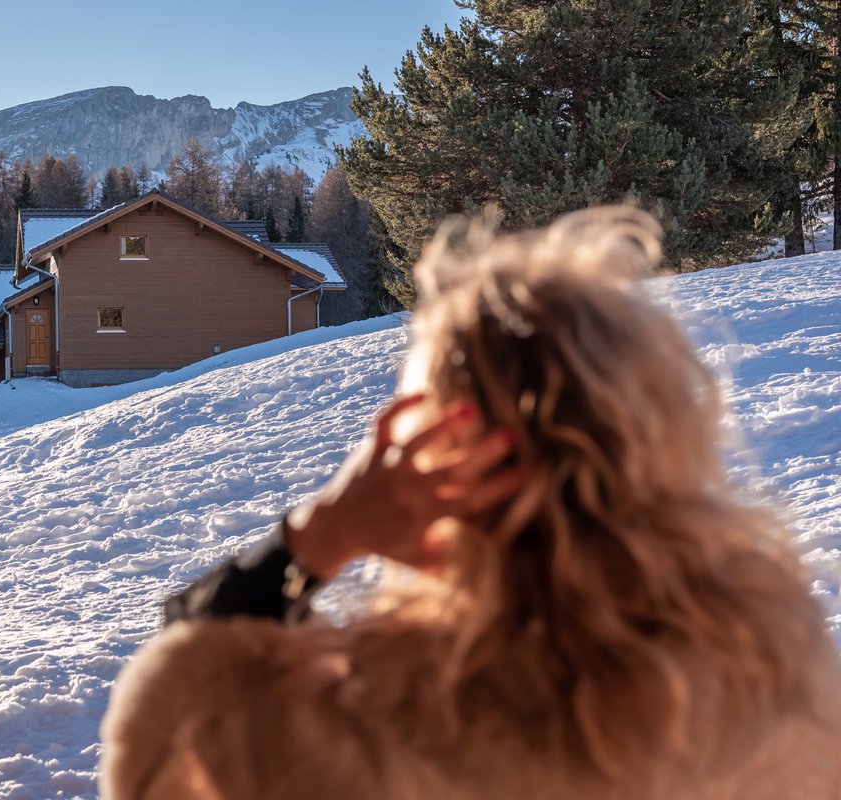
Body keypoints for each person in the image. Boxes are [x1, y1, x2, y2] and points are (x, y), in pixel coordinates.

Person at [99, 207, 841, 799]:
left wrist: (318, 535)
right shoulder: (776, 665)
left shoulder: (377, 727)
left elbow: (162, 740)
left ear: (442, 457)